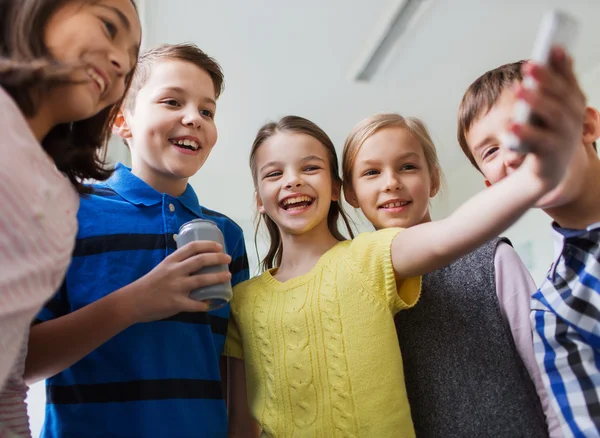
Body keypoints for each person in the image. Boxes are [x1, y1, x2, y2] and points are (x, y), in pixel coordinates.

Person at [226, 103, 576, 436]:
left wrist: (530, 176)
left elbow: (448, 236)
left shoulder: (371, 258)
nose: (292, 181)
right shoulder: (245, 301)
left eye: (310, 167)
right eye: (274, 173)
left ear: (336, 188)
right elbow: (243, 424)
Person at [25, 43, 249, 438]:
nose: (193, 118)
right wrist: (135, 303)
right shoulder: (70, 211)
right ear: (121, 120)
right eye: (172, 101)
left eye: (207, 110)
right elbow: (19, 362)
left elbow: (237, 370)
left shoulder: (227, 235)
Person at [342, 112, 560, 437]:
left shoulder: (493, 259)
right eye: (372, 172)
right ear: (351, 193)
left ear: (434, 179)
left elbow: (550, 376)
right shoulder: (352, 287)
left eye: (407, 166)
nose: (391, 182)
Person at [0, 0, 141, 436]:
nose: (120, 64)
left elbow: (8, 380)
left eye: (131, 63)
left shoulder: (64, 201)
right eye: (107, 26)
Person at [457, 49, 599, 436]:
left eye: (529, 123)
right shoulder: (553, 310)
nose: (515, 150)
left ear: (586, 127)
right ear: (495, 189)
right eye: (491, 149)